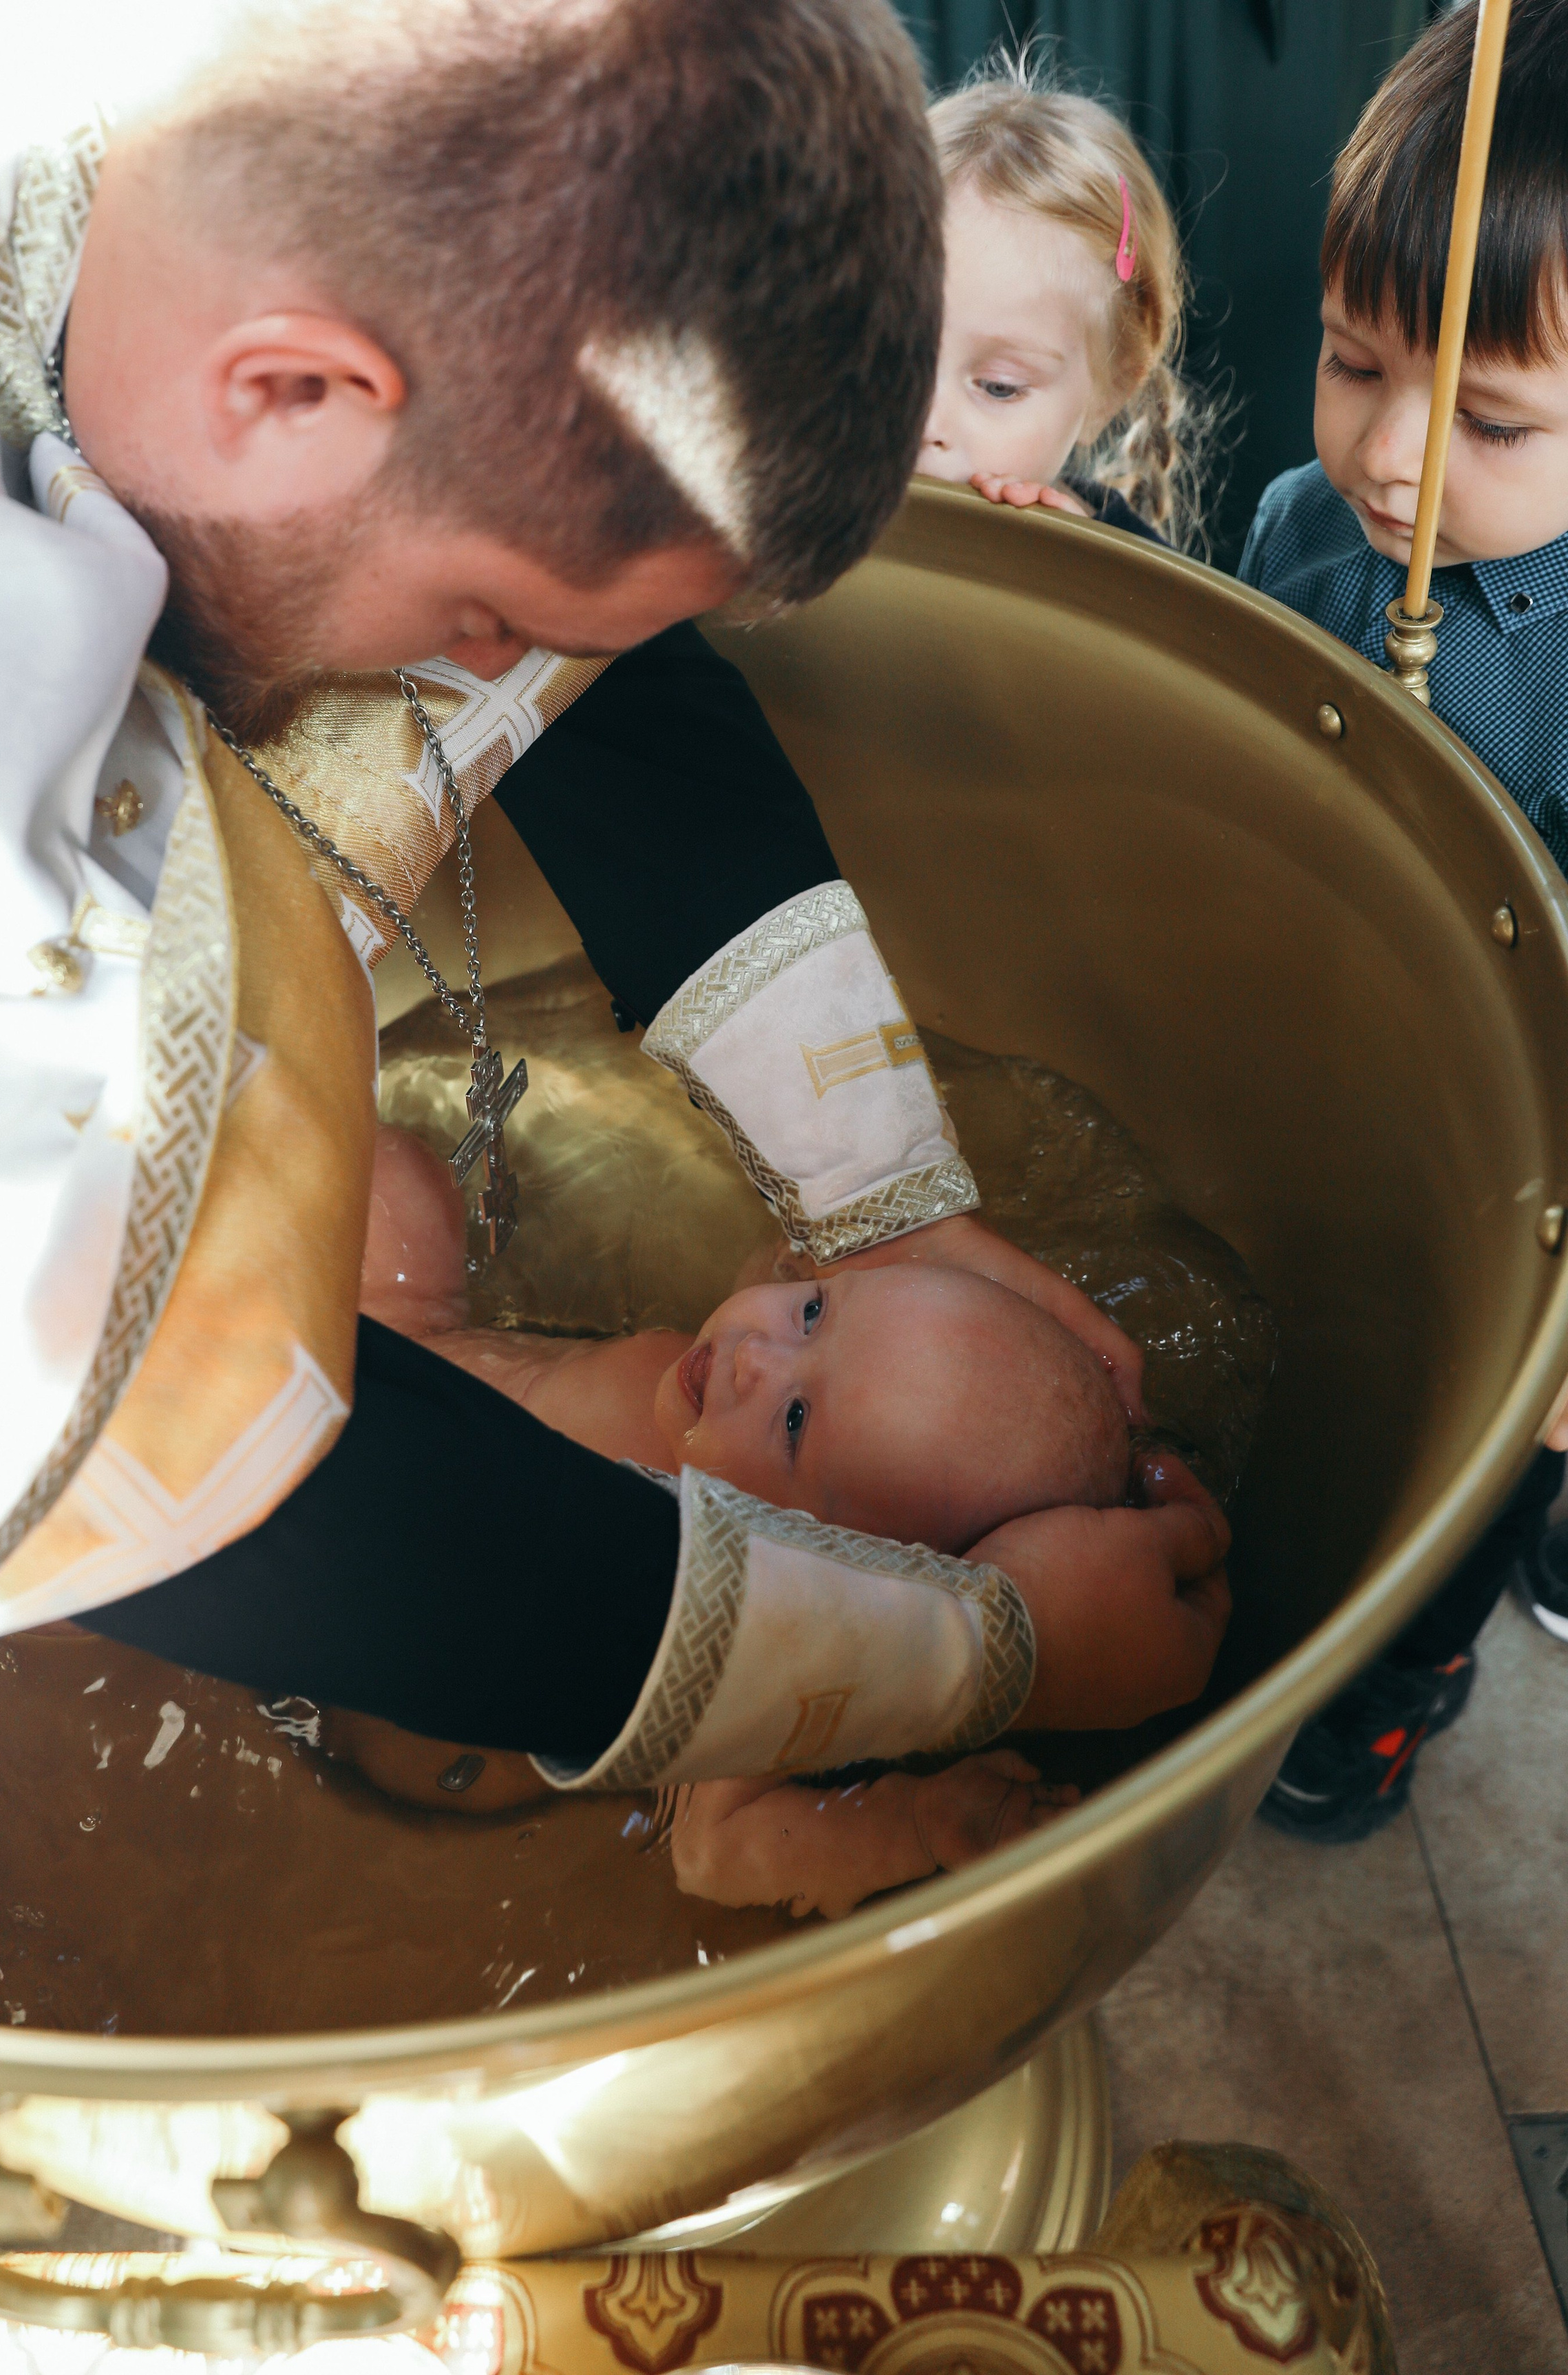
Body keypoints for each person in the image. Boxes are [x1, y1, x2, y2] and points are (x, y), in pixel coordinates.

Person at [0, 0, 1231, 1796]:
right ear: (293, 389)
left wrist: (886, 1203)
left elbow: (568, 591)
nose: (495, 681)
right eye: (483, 620)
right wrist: (986, 1651)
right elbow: (167, 1443)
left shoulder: (243, 151)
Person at [337, 1121, 1227, 1919]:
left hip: (349, 1516)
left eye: (798, 1421)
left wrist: (922, 1822)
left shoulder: (761, 1633)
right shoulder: (725, 1385)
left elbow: (714, 1850)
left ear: (839, 1572)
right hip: (406, 1338)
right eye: (813, 1311)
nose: (754, 1351)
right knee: (393, 1172)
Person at [1238, 0, 1568, 1841]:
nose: (1397, 458)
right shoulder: (1303, 520)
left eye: (1496, 420)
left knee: (1493, 1433)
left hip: (1532, 1142)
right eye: (1356, 364)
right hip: (1335, 1044)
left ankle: (1407, 1669)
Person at [915, 53, 1211, 549]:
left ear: (1110, 391)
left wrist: (1084, 582)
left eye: (998, 387)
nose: (922, 423)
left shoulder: (1143, 597)